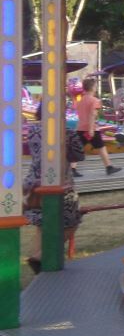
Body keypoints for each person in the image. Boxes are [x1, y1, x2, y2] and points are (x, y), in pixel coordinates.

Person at [24, 105, 84, 271]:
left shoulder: (33, 129)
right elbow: (79, 155)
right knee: (72, 222)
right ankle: (40, 256)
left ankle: (39, 265)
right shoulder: (66, 132)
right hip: (59, 183)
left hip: (33, 183)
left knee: (41, 224)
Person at [73, 78, 120, 176]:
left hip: (80, 128)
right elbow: (92, 115)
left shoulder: (80, 100)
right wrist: (91, 129)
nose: (96, 88)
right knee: (101, 147)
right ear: (93, 88)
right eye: (95, 86)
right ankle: (109, 167)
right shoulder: (95, 101)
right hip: (92, 129)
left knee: (78, 148)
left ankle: (72, 169)